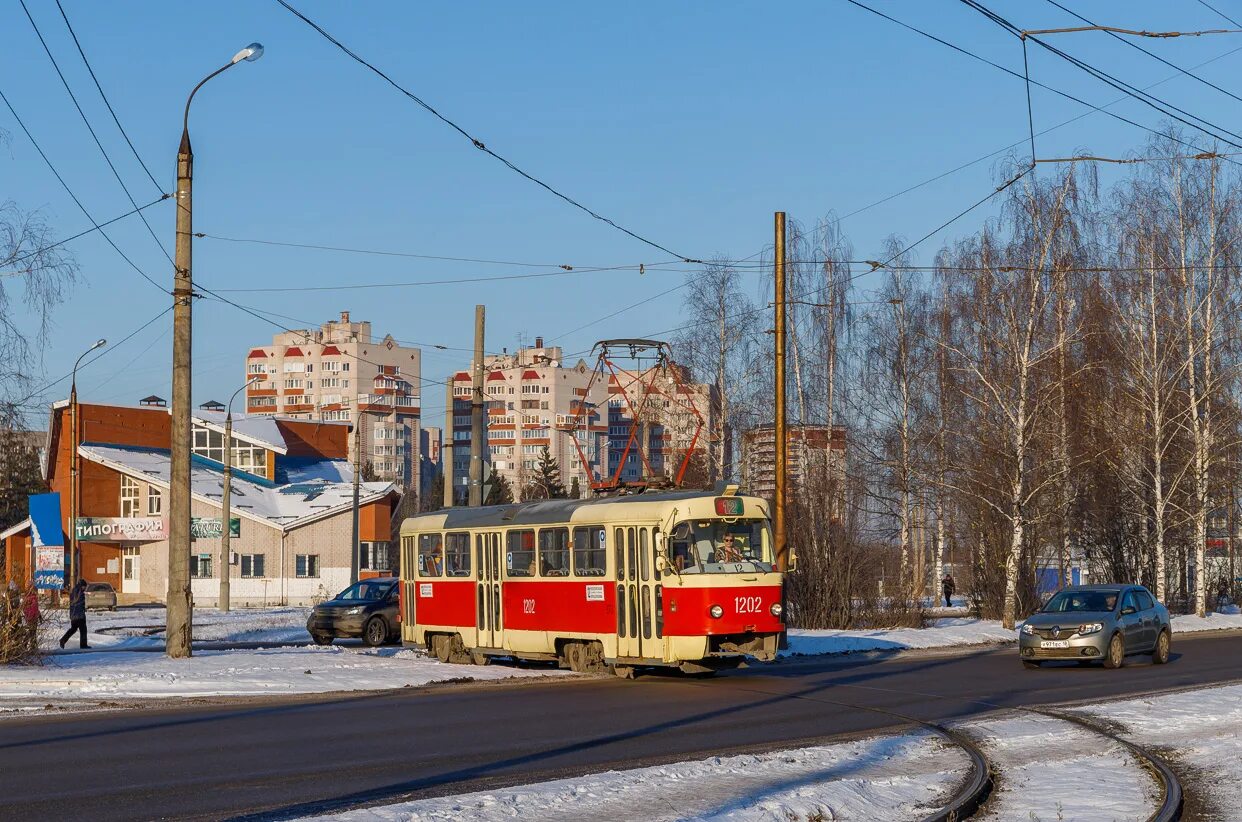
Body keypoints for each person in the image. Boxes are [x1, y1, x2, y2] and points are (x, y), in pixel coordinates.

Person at [60, 578, 90, 650]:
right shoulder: (79, 591)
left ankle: (63, 640)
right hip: (79, 614)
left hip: (74, 614)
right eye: (84, 586)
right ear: (81, 586)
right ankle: (83, 645)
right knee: (83, 630)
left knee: (73, 629)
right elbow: (76, 601)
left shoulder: (74, 591)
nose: (85, 588)